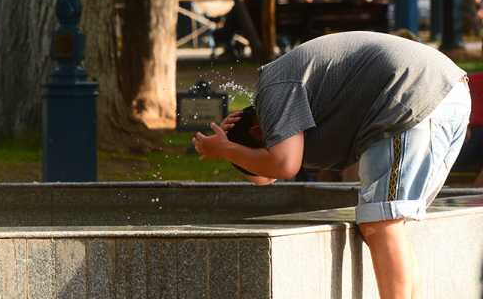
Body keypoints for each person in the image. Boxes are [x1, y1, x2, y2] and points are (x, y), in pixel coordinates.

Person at [192, 31, 469, 299]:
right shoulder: (285, 105)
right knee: (389, 223)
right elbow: (269, 176)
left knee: (382, 222)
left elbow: (282, 166)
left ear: (257, 132)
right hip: (441, 90)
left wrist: (226, 148)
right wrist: (233, 152)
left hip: (411, 93)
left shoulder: (272, 89)